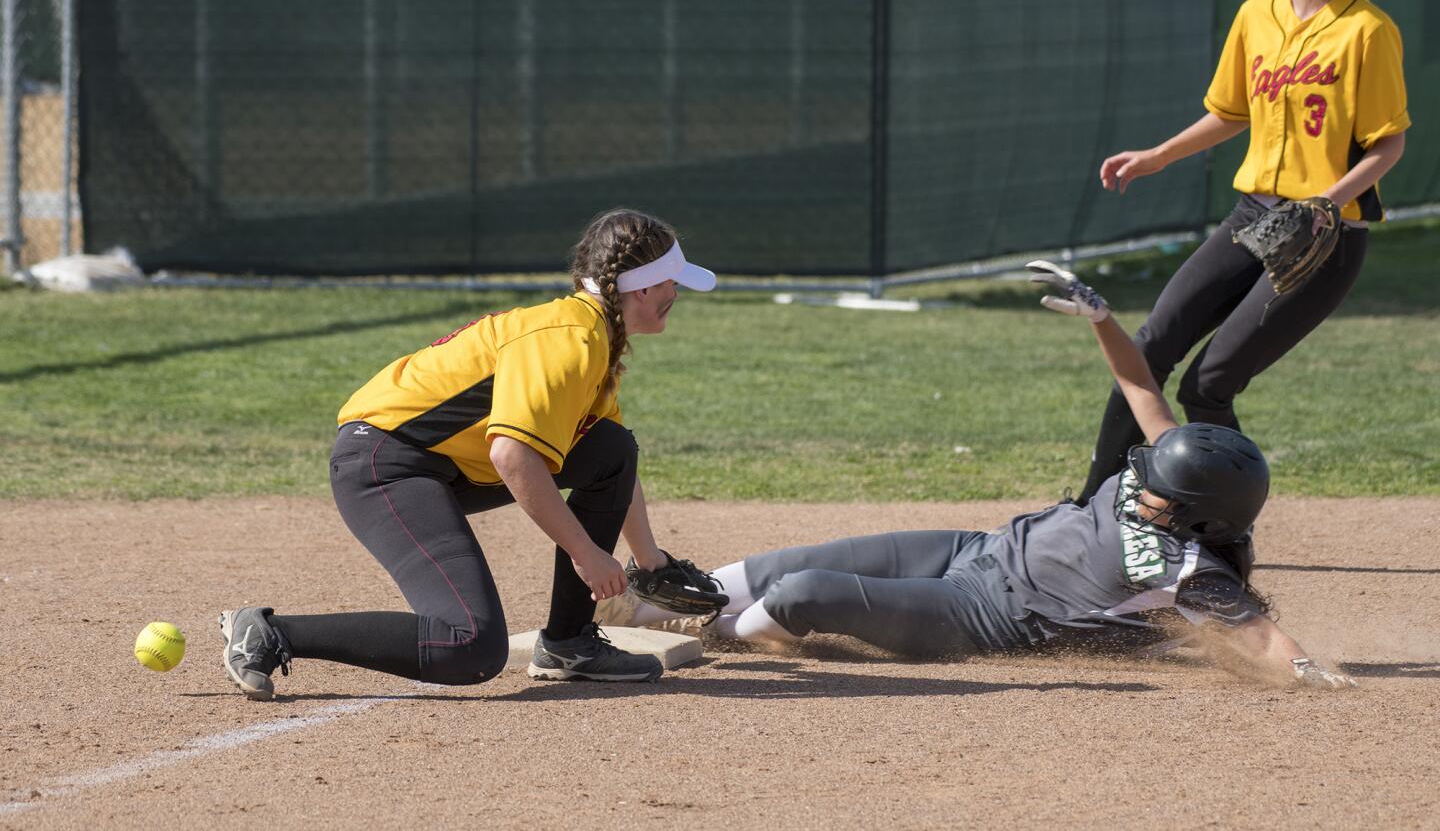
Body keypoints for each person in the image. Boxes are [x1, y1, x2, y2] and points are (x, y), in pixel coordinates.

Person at [599, 262, 1357, 690]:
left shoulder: (1190, 568)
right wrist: (1101, 319)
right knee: (788, 562)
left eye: (1159, 489)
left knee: (802, 597)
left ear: (1200, 515)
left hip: (982, 615)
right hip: (973, 548)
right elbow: (1142, 390)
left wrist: (1321, 679)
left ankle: (718, 634)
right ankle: (648, 604)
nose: (1144, 478)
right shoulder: (1177, 470)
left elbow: (1264, 642)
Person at [218, 208, 716, 699]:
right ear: (642, 286)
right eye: (672, 282)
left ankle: (570, 644)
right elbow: (513, 456)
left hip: (440, 465)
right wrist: (587, 555)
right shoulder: (568, 341)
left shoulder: (591, 337)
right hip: (385, 465)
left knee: (610, 446)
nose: (676, 294)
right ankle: (271, 632)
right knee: (470, 646)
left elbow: (612, 461)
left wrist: (650, 562)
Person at [1077, 0, 1409, 503]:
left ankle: (1222, 523)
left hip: (1324, 232)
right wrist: (1158, 156)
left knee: (1210, 383)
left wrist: (1327, 203)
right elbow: (1232, 111)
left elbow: (1389, 145)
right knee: (1148, 348)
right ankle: (1096, 503)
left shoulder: (1367, 31)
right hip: (1254, 214)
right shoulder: (1258, 13)